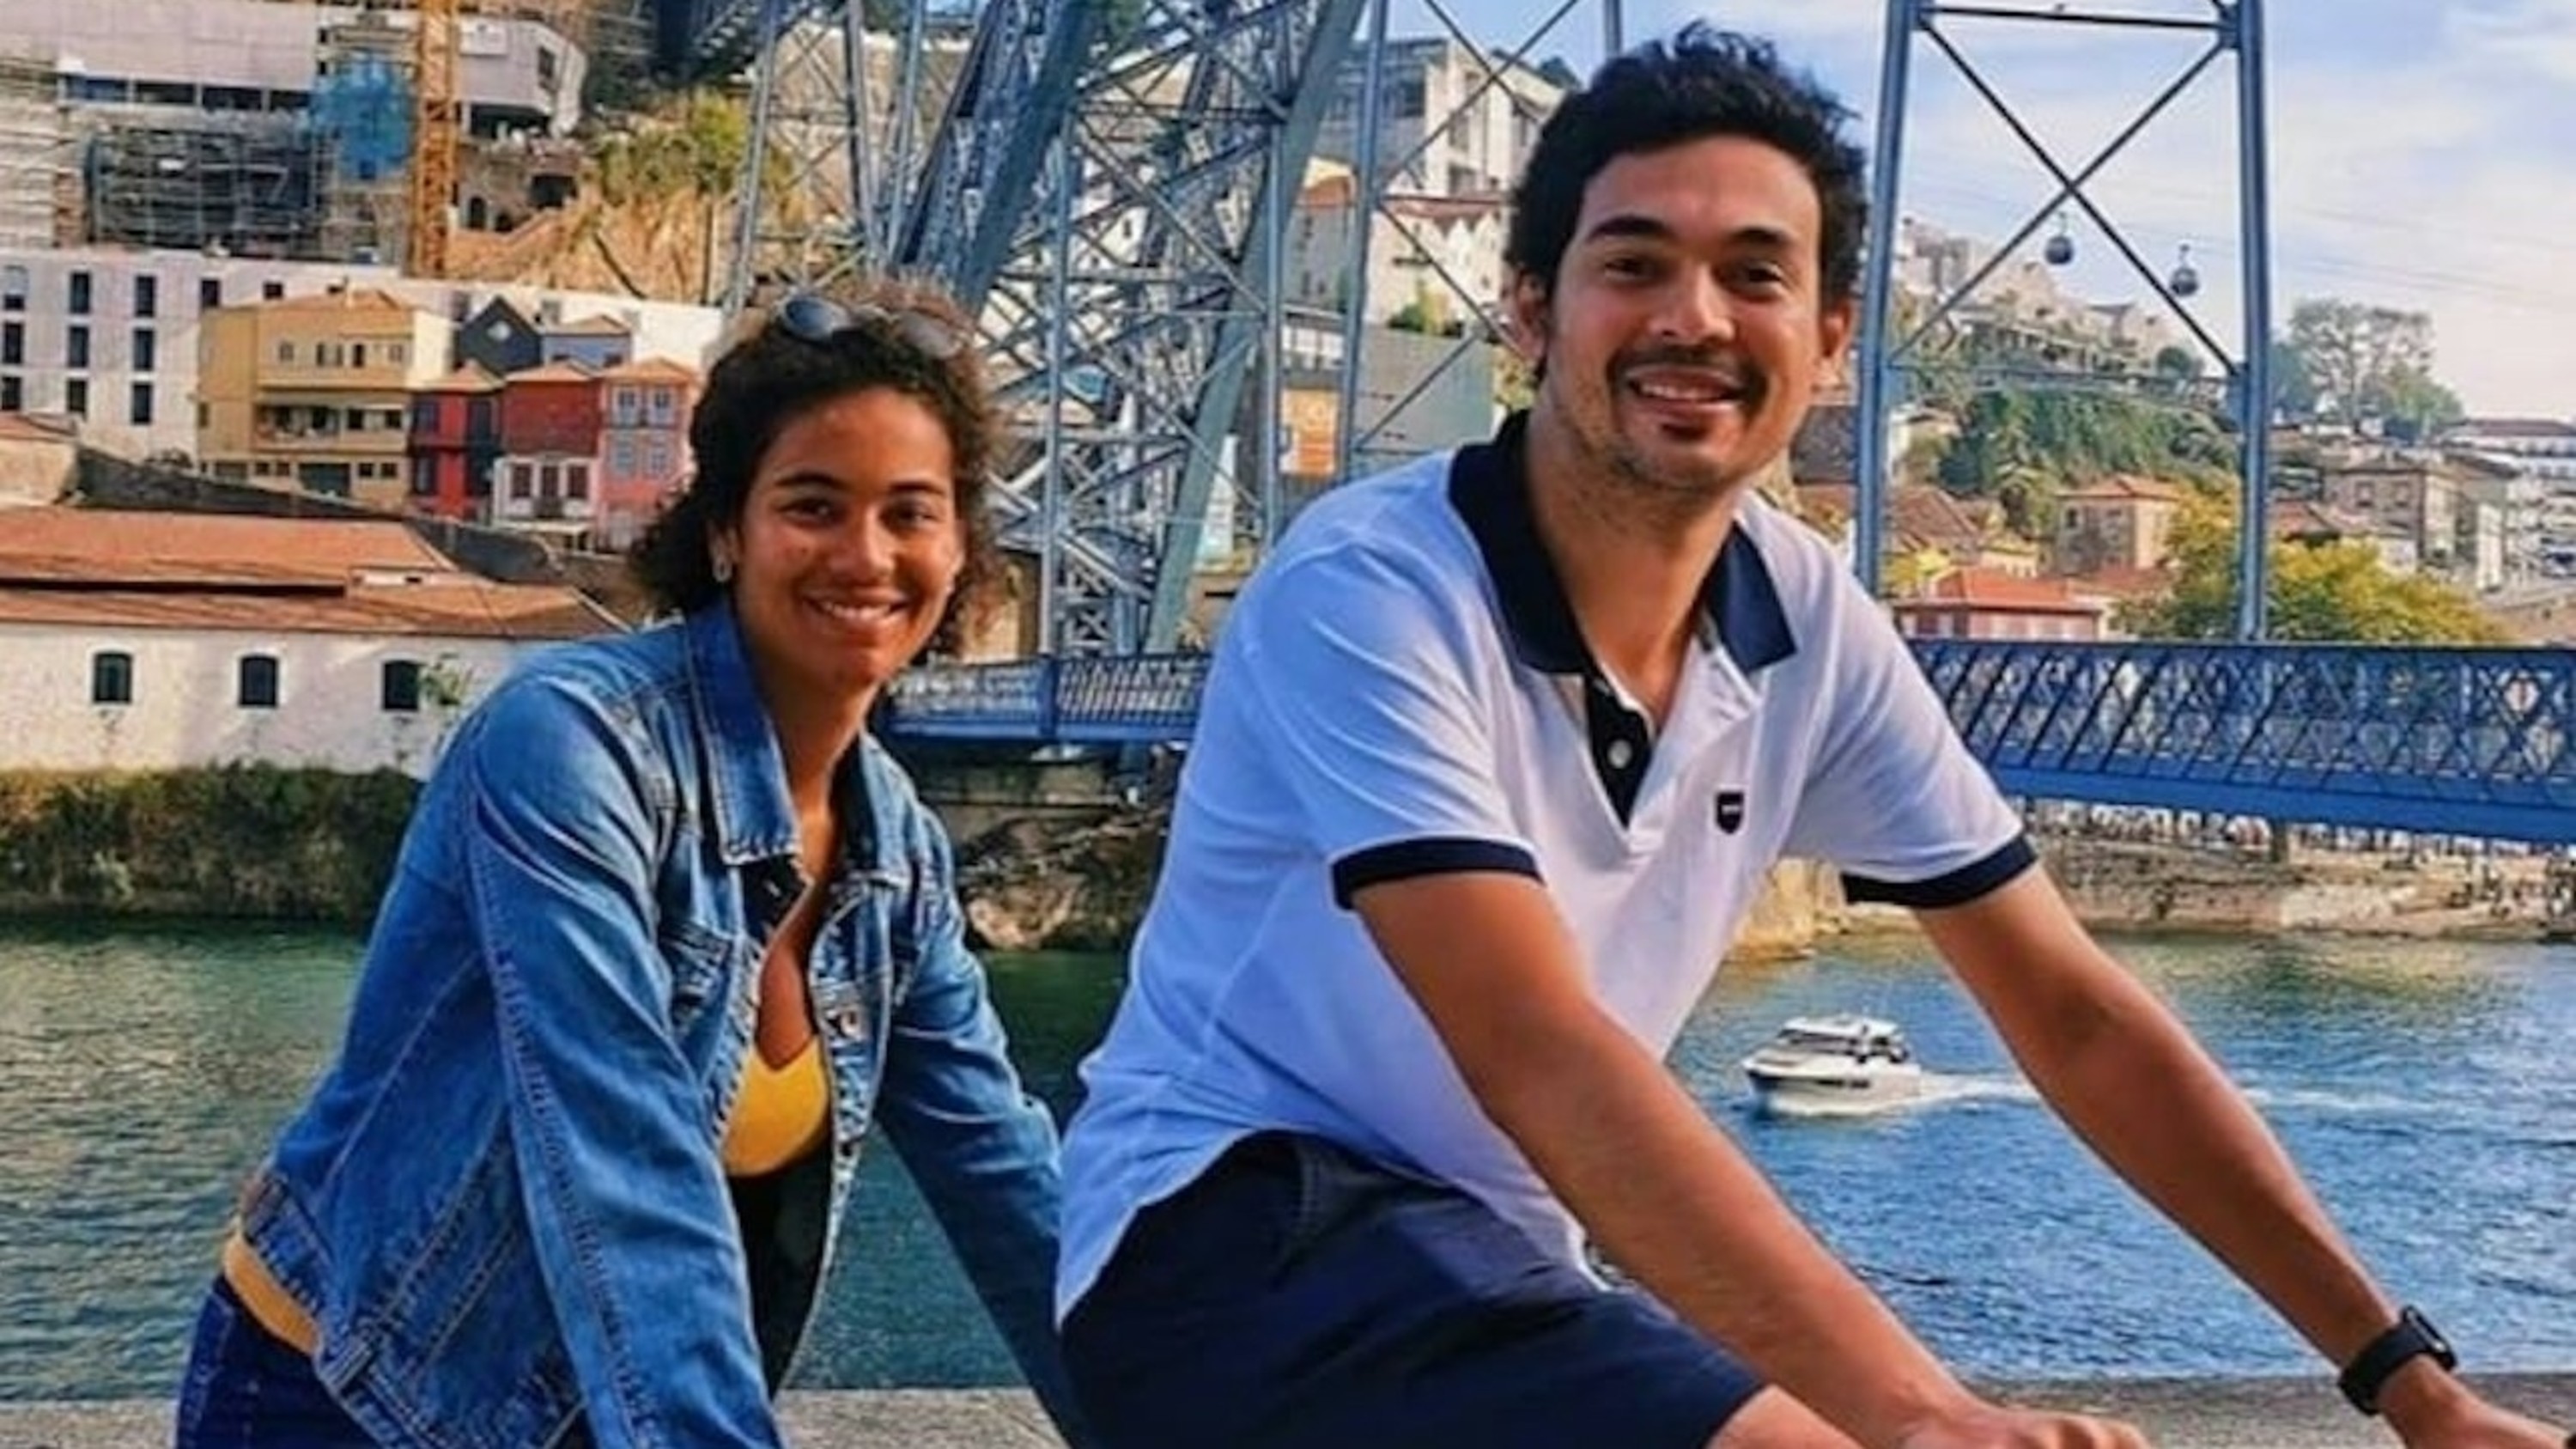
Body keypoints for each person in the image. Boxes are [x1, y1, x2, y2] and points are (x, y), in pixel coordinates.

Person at [1051, 27, 2573, 1449]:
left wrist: (2409, 1384)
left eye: (1755, 275)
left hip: (1497, 1262)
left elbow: (2080, 1019)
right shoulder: (1370, 589)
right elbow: (1536, 1046)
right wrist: (1921, 1413)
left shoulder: (1803, 611)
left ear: (1833, 337)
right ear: (1529, 309)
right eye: (1632, 263)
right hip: (1234, 1235)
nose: (1693, 319)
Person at [173, 283, 1093, 1449]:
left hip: (593, 1412)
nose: (867, 555)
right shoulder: (572, 746)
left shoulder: (894, 846)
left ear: (961, 550)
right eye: (813, 505)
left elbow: (1007, 1182)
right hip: (350, 1401)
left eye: (912, 513)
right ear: (725, 532)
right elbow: (625, 1164)